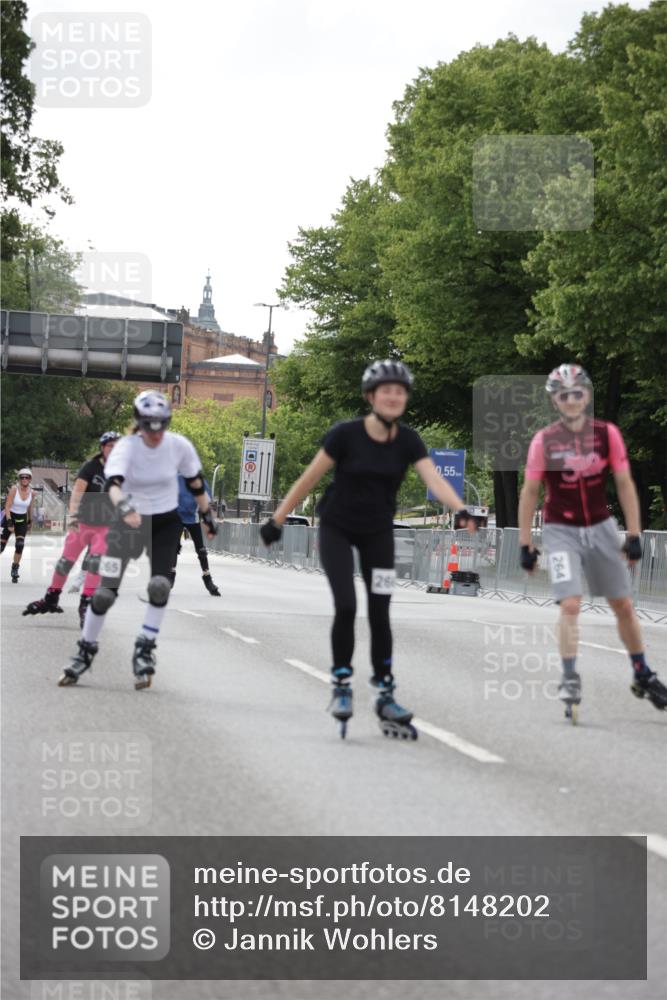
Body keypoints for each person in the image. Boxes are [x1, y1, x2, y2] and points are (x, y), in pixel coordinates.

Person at [259, 359, 478, 739]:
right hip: (337, 529)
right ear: (371, 396)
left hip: (378, 533)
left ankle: (384, 694)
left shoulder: (408, 440)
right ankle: (342, 684)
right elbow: (309, 479)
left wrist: (460, 509)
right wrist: (277, 520)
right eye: (386, 391)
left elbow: (433, 479)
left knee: (380, 611)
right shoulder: (345, 435)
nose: (394, 397)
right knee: (346, 605)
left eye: (400, 391)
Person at [518, 363, 667, 715]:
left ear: (586, 396)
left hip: (600, 527)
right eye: (563, 395)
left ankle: (642, 673)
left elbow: (624, 483)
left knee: (623, 605)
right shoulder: (544, 441)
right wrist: (525, 544)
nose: (571, 400)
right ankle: (569, 675)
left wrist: (634, 533)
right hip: (560, 530)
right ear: (555, 401)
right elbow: (530, 491)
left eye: (577, 393)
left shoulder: (606, 434)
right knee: (570, 604)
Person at [58, 391, 218, 690]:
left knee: (159, 586)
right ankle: (85, 650)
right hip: (127, 522)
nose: (155, 435)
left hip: (165, 522)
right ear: (139, 424)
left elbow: (196, 483)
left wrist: (207, 516)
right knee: (105, 593)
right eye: (148, 427)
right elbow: (113, 485)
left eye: (160, 427)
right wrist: (125, 508)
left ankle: (145, 647)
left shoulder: (178, 445)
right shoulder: (126, 448)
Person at [23, 432, 120, 626]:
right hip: (83, 522)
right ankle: (51, 597)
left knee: (95, 563)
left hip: (105, 526)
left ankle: (86, 603)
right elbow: (77, 493)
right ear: (102, 448)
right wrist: (73, 516)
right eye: (110, 445)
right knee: (65, 562)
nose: (114, 449)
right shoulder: (91, 467)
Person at [172, 474, 221, 596]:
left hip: (193, 518)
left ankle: (207, 578)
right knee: (173, 547)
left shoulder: (200, 481)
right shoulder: (175, 478)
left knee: (201, 550)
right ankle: (170, 575)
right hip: (176, 518)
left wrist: (209, 522)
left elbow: (207, 503)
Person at [1, 469, 34, 582]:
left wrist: (30, 520)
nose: (24, 479)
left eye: (26, 477)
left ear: (30, 479)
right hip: (10, 517)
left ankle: (15, 569)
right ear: (19, 479)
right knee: (1, 547)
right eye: (22, 477)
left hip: (21, 519)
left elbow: (30, 507)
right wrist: (9, 522)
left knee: (20, 545)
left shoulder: (32, 492)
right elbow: (7, 506)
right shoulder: (14, 490)